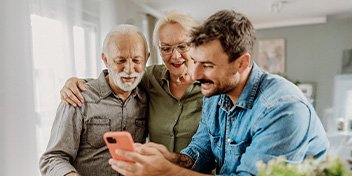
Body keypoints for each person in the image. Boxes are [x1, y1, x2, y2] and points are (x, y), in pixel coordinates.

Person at [107, 10, 330, 176]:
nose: (194, 74)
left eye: (207, 65)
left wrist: (166, 170)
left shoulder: (284, 109)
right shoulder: (216, 96)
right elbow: (200, 152)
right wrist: (170, 157)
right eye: (195, 61)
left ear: (241, 64)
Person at [60, 12, 202, 152]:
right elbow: (119, 77)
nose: (175, 56)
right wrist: (77, 83)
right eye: (166, 48)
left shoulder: (212, 88)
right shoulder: (152, 78)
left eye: (183, 46)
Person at [39, 24, 149, 176]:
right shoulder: (78, 97)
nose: (129, 69)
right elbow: (52, 158)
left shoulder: (148, 98)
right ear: (105, 59)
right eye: (120, 60)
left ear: (147, 59)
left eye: (137, 60)